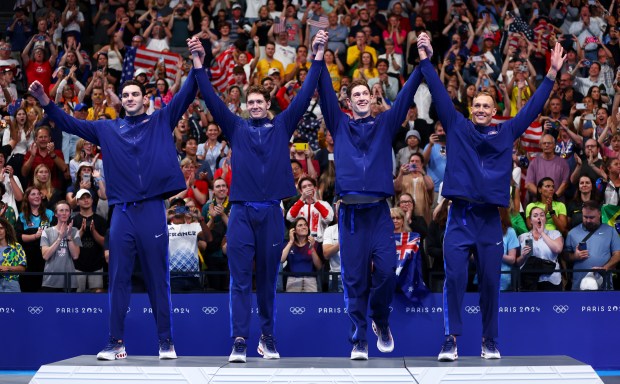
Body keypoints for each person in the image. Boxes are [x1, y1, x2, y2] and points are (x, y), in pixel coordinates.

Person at [27, 37, 202, 361]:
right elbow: (72, 124)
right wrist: (45, 102)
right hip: (122, 213)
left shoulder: (159, 119)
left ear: (144, 99)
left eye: (135, 94)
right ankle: (115, 343)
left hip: (151, 210)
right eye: (126, 95)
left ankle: (166, 342)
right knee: (118, 278)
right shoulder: (108, 128)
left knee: (157, 279)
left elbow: (186, 94)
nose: (131, 98)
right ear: (120, 100)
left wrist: (196, 62)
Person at [416, 32, 565, 361]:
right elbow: (440, 95)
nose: (482, 110)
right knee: (454, 278)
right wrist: (426, 59)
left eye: (487, 106)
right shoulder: (457, 125)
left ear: (495, 110)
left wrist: (552, 74)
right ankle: (450, 339)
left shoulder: (506, 131)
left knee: (489, 282)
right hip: (460, 218)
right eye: (477, 106)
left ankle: (489, 340)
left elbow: (532, 109)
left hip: (488, 222)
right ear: (470, 109)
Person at [191, 31, 326, 363]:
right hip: (240, 213)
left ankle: (267, 338)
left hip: (270, 214)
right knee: (239, 280)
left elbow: (306, 92)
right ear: (244, 106)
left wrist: (318, 56)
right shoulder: (235, 127)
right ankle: (239, 339)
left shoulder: (282, 125)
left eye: (259, 102)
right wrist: (198, 65)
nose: (254, 106)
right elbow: (210, 97)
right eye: (249, 103)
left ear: (268, 105)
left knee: (267, 280)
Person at [317, 29, 423, 360]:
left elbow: (406, 96)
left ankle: (380, 319)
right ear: (348, 102)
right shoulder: (340, 124)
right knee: (354, 281)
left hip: (378, 213)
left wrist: (421, 62)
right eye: (356, 94)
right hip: (349, 215)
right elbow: (322, 92)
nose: (362, 97)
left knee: (387, 270)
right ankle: (359, 338)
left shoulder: (385, 124)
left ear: (373, 99)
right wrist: (318, 56)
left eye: (367, 93)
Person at [565, 200, 620, 290]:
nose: (588, 220)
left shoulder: (611, 231)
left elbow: (618, 255)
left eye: (591, 217)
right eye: (585, 217)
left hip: (604, 284)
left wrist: (605, 268)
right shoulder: (572, 233)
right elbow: (565, 256)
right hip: (579, 285)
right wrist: (574, 256)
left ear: (599, 214)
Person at [517, 206, 564, 291]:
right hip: (530, 281)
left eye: (542, 215)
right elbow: (517, 263)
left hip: (551, 279)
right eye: (535, 216)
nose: (539, 217)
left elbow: (558, 249)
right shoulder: (522, 237)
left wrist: (542, 232)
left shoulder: (555, 234)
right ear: (530, 221)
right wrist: (523, 256)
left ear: (545, 219)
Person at [40, 200, 81, 292]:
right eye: (61, 210)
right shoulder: (47, 232)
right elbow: (45, 256)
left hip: (69, 282)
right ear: (55, 214)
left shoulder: (74, 231)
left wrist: (69, 236)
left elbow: (75, 256)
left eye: (67, 210)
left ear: (70, 213)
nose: (64, 213)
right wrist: (60, 237)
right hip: (50, 282)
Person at [72, 189, 107, 293]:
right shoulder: (73, 221)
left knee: (97, 297)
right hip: (77, 266)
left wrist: (93, 232)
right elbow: (71, 244)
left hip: (96, 265)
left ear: (92, 200)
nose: (86, 200)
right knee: (77, 297)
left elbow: (104, 243)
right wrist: (81, 232)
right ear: (77, 202)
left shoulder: (101, 220)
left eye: (88, 197)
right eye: (82, 198)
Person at [280, 217, 322, 292]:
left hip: (310, 280)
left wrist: (312, 249)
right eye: (300, 225)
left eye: (305, 225)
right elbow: (281, 259)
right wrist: (291, 241)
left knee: (311, 303)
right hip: (293, 280)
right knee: (292, 303)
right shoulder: (288, 245)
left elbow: (319, 266)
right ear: (294, 230)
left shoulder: (315, 244)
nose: (304, 227)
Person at [0, 217, 27, 293]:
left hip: (12, 284)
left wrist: (7, 268)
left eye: (1, 228)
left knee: (15, 304)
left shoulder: (17, 247)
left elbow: (22, 268)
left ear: (6, 230)